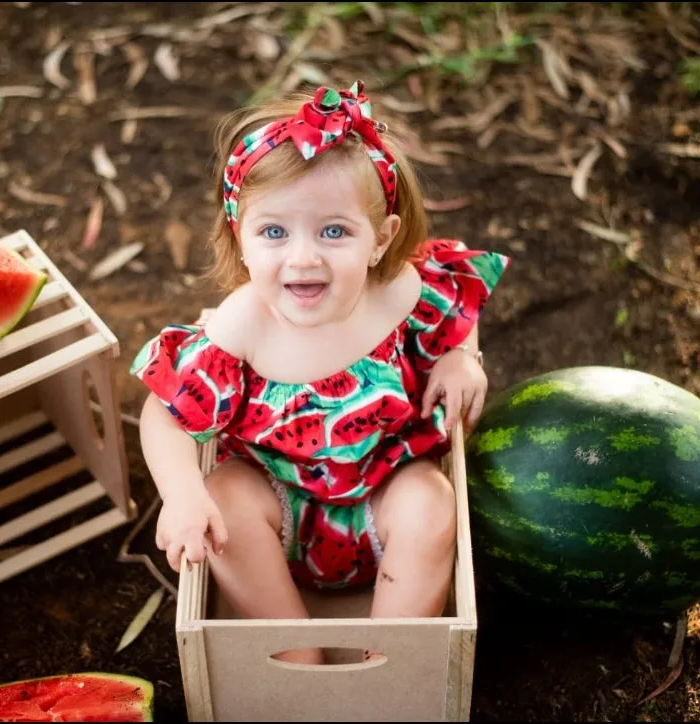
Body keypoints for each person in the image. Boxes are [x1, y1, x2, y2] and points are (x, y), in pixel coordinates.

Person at [131, 80, 509, 664]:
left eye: (334, 231)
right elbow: (165, 412)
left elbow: (456, 295)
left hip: (384, 489)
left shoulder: (398, 291)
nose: (303, 257)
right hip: (278, 503)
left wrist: (459, 354)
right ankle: (292, 648)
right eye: (274, 232)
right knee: (222, 496)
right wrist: (180, 494)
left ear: (380, 241)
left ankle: (386, 659)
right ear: (242, 237)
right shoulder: (242, 327)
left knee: (432, 500)